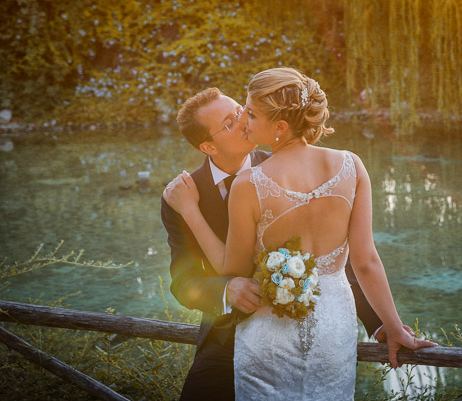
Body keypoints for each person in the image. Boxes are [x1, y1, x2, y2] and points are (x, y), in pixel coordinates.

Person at [163, 69, 433, 399]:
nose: (244, 119)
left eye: (242, 111)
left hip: (311, 323)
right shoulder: (182, 196)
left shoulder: (265, 172)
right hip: (226, 331)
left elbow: (341, 260)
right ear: (209, 145)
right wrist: (226, 289)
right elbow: (183, 280)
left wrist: (379, 323)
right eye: (231, 122)